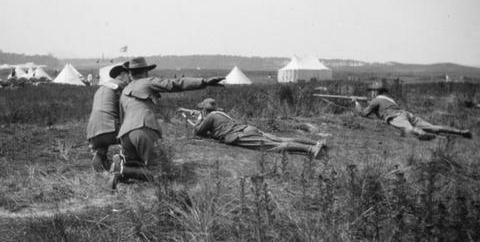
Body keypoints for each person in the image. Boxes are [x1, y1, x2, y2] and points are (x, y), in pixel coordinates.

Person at [108, 57, 224, 189]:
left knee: (136, 164)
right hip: (143, 128)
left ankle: (123, 169)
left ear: (130, 73)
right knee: (160, 172)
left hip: (125, 135)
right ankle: (124, 170)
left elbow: (122, 117)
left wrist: (123, 143)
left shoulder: (124, 91)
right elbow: (176, 84)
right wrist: (204, 82)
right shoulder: (147, 82)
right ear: (145, 72)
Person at [184, 98, 327, 158]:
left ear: (204, 110)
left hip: (239, 135)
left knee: (275, 146)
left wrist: (198, 120)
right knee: (281, 138)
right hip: (247, 128)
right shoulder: (219, 113)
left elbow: (198, 132)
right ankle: (315, 143)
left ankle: (311, 149)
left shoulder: (209, 117)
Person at [353, 81, 472, 140]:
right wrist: (370, 103)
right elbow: (380, 106)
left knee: (409, 130)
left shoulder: (375, 100)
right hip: (406, 113)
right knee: (434, 127)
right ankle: (460, 132)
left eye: (371, 91)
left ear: (374, 92)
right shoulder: (388, 98)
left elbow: (363, 113)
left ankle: (426, 136)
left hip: (396, 116)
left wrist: (356, 102)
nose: (370, 93)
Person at [87, 64, 130, 172]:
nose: (131, 79)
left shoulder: (101, 88)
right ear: (123, 75)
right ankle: (121, 164)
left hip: (92, 131)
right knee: (133, 138)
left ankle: (99, 160)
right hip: (110, 128)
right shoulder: (122, 86)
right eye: (130, 75)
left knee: (101, 149)